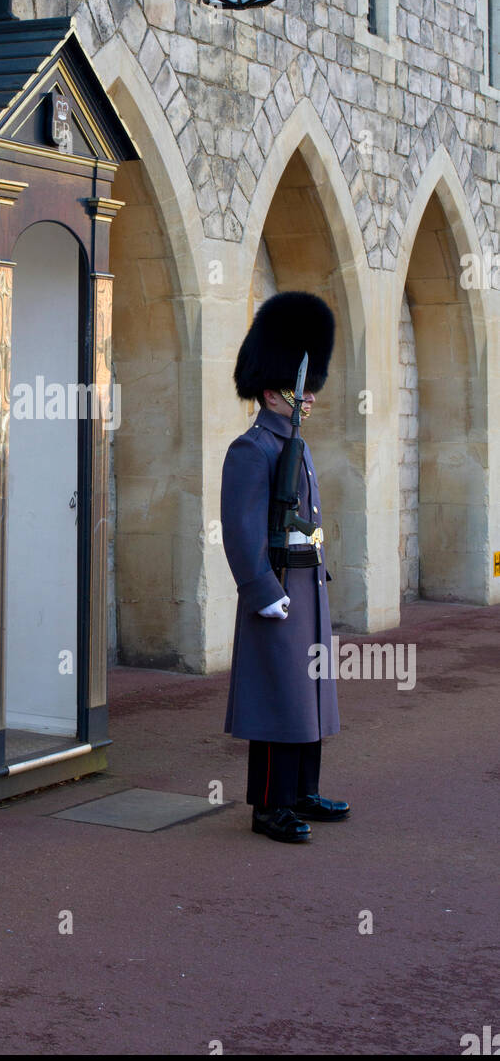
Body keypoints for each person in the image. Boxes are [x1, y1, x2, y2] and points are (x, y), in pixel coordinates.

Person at [220, 290, 349, 844]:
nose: (310, 398)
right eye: (302, 389)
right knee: (278, 697)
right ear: (274, 392)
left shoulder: (294, 442)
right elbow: (241, 529)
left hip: (306, 585)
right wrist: (260, 588)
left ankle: (301, 792)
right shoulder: (254, 449)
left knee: (307, 694)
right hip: (276, 587)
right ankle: (270, 806)